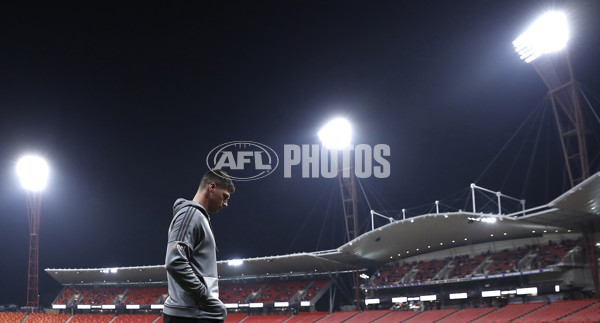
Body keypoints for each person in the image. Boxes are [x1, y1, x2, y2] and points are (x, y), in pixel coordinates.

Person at [163, 169, 235, 323]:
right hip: (188, 315)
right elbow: (175, 262)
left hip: (193, 313)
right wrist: (207, 298)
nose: (226, 203)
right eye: (225, 197)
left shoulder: (198, 217)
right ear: (212, 187)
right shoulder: (190, 214)